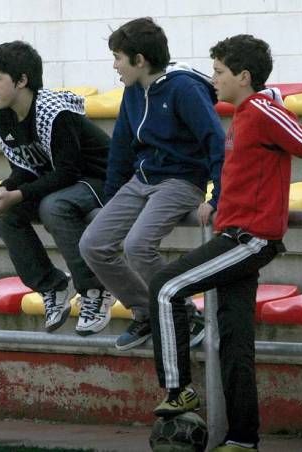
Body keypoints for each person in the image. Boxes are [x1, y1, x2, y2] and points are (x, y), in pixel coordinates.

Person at [148, 34, 302, 452]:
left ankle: (178, 390)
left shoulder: (265, 110)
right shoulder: (241, 116)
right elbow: (241, 175)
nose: (212, 79)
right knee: (234, 344)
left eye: (218, 72)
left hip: (249, 241)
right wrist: (216, 203)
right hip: (232, 234)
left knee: (166, 287)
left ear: (243, 76)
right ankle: (243, 440)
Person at [79, 18, 225, 351]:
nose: (115, 65)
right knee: (93, 243)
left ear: (139, 59)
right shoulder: (133, 91)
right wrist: (111, 201)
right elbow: (120, 147)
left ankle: (184, 314)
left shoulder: (183, 89)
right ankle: (146, 311)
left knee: (137, 246)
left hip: (181, 179)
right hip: (142, 179)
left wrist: (218, 196)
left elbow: (216, 142)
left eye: (118, 57)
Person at [0, 41, 113, 336]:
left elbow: (68, 171)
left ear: (22, 80)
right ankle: (52, 285)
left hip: (105, 180)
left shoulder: (55, 111)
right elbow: (23, 168)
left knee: (53, 206)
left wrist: (20, 193)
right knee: (2, 212)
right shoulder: (4, 113)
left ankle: (95, 290)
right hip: (67, 182)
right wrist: (6, 189)